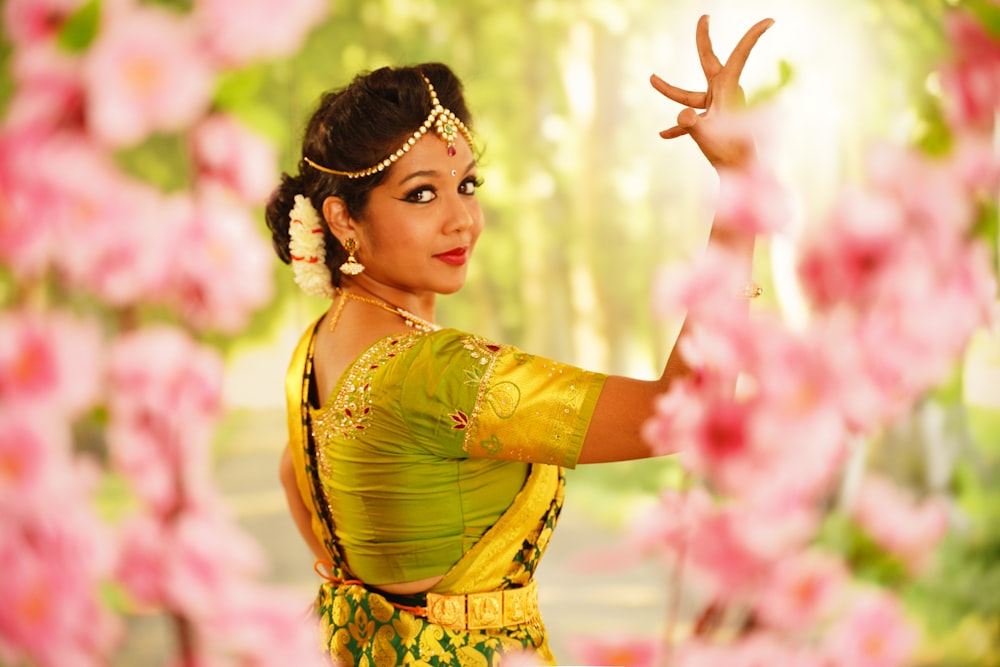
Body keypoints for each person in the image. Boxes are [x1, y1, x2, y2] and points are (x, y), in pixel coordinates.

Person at [265, 14, 773, 666]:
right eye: (421, 194)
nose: (462, 220)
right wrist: (740, 184)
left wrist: (369, 588)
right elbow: (682, 413)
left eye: (467, 185)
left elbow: (292, 468)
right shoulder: (437, 372)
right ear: (342, 219)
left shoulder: (320, 343)